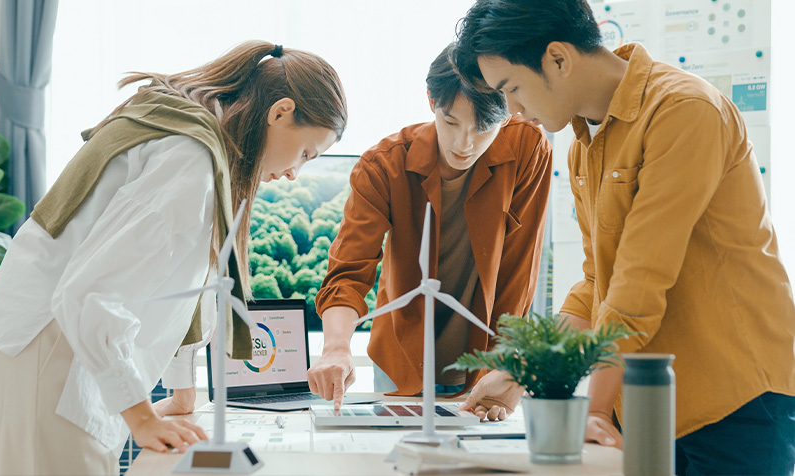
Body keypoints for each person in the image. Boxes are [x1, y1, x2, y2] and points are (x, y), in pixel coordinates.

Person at [453, 1, 795, 474]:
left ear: (558, 58)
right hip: (650, 401)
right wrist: (518, 371)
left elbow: (637, 285)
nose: (513, 111)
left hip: (736, 402)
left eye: (511, 88)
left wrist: (592, 410)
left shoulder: (683, 110)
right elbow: (599, 283)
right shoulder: (583, 148)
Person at [0, 40, 347, 476]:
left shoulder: (189, 135)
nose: (295, 172)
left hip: (48, 345)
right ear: (280, 112)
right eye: (307, 153)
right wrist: (141, 417)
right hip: (54, 351)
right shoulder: (190, 159)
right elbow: (87, 296)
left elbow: (180, 283)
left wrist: (182, 392)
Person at [307, 43, 552, 421]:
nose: (465, 144)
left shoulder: (528, 148)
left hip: (487, 360)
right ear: (431, 101)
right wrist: (336, 347)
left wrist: (506, 363)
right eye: (451, 122)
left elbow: (519, 270)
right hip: (400, 357)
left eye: (484, 128)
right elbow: (348, 272)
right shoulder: (383, 165)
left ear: (508, 114)